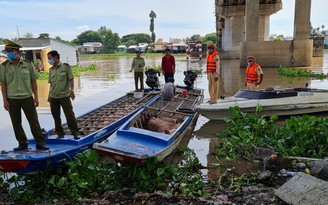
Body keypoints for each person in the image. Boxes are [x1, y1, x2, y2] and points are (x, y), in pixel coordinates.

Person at [0, 39, 49, 151]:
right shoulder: (4, 66)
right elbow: (3, 84)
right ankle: (22, 143)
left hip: (27, 97)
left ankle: (40, 143)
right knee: (16, 123)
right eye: (7, 51)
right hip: (12, 99)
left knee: (34, 122)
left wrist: (36, 97)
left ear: (17, 51)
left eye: (10, 51)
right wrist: (5, 100)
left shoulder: (28, 65)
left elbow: (33, 82)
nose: (8, 53)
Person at [47, 50, 80, 140]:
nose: (49, 61)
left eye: (49, 58)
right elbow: (51, 84)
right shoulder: (51, 70)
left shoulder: (65, 67)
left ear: (55, 57)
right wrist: (49, 95)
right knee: (56, 116)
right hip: (53, 97)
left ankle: (75, 132)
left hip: (64, 96)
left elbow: (71, 79)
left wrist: (72, 90)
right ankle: (60, 133)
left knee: (69, 115)